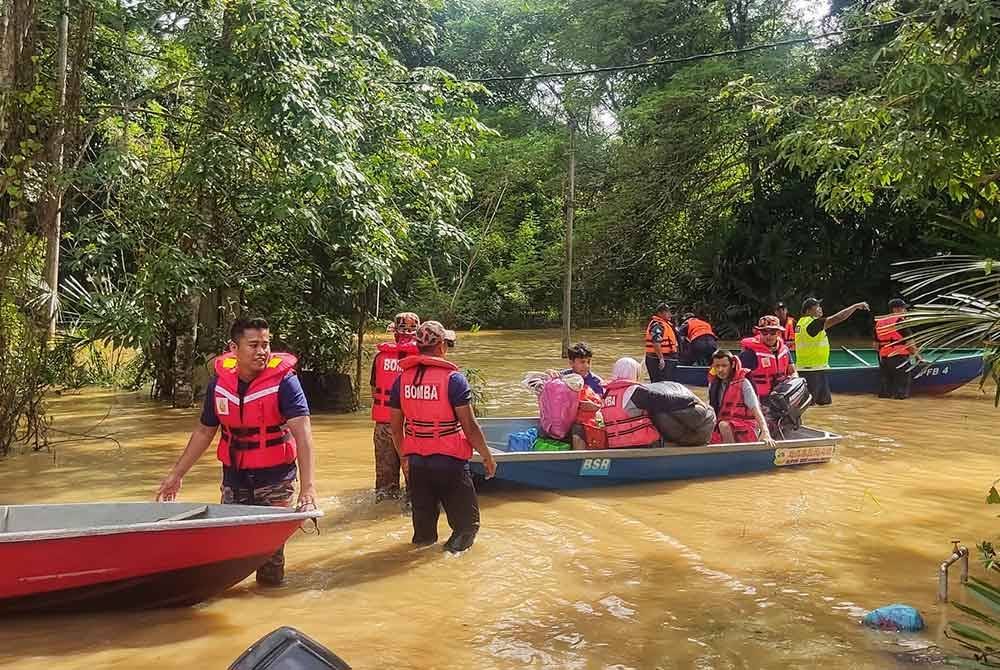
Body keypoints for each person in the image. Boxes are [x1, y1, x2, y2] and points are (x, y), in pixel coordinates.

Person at [155, 317, 317, 586]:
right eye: (253, 345)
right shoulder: (219, 385)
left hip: (275, 477)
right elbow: (205, 432)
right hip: (235, 477)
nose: (262, 351)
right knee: (229, 550)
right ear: (234, 348)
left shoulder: (285, 383)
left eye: (266, 344)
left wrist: (308, 488)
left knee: (270, 559)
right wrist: (176, 475)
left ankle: (268, 605)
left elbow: (303, 434)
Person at [389, 321, 497, 553]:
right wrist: (487, 456)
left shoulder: (401, 380)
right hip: (450, 463)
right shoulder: (453, 380)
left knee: (423, 533)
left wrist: (404, 459)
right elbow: (470, 426)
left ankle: (417, 572)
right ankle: (451, 568)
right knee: (467, 528)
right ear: (441, 347)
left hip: (417, 461)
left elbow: (395, 428)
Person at [370, 312, 420, 503]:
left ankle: (383, 511)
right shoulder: (421, 359)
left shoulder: (380, 358)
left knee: (385, 483)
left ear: (394, 332)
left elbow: (375, 391)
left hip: (385, 423)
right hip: (413, 425)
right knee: (414, 479)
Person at [794, 297, 870, 406]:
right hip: (811, 372)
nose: (820, 309)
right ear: (808, 311)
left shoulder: (803, 323)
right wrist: (855, 307)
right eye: (817, 306)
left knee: (824, 404)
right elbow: (838, 318)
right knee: (809, 406)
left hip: (817, 369)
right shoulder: (812, 324)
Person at [708, 350, 775, 446]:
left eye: (724, 366)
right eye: (717, 366)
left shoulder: (743, 382)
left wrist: (765, 432)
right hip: (725, 425)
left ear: (732, 365)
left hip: (747, 427)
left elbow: (756, 409)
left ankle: (731, 456)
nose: (720, 370)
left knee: (723, 425)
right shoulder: (714, 384)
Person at [601, 357, 662, 448]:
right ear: (634, 372)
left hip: (613, 444)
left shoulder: (606, 393)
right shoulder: (636, 391)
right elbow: (660, 406)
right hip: (640, 443)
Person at [875, 298, 924, 399]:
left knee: (885, 393)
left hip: (884, 359)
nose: (905, 311)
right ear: (896, 309)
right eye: (903, 309)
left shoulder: (879, 322)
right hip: (900, 358)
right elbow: (909, 344)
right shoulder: (901, 322)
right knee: (901, 394)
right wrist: (919, 358)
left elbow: (875, 345)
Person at [739, 315, 796, 399]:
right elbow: (738, 378)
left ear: (778, 333)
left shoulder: (784, 350)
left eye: (773, 332)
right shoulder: (750, 354)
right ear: (759, 333)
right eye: (764, 332)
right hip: (758, 399)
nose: (768, 336)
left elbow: (793, 372)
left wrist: (792, 383)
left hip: (782, 397)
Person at [644, 302, 679, 382]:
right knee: (661, 384)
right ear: (660, 313)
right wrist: (661, 359)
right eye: (667, 312)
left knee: (666, 384)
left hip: (667, 358)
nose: (670, 314)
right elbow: (656, 342)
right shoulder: (658, 325)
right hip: (657, 359)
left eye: (670, 312)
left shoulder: (666, 324)